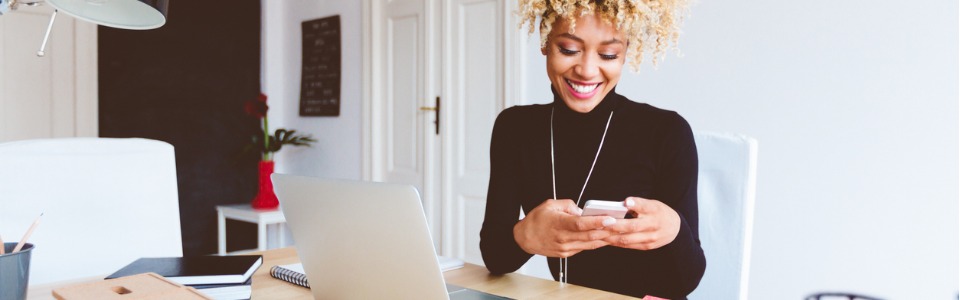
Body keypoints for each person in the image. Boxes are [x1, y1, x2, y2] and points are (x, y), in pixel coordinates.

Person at [479, 0, 706, 298]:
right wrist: (524, 236)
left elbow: (685, 281)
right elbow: (495, 258)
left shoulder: (667, 132)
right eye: (569, 49)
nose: (586, 70)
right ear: (545, 41)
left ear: (625, 53)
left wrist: (675, 231)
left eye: (608, 54)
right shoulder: (515, 128)